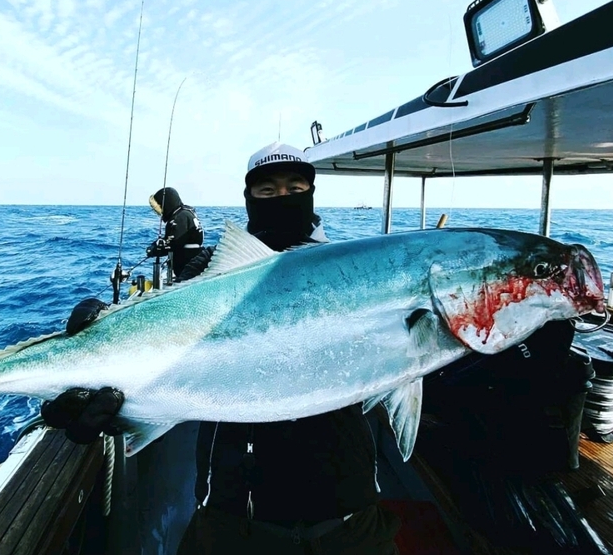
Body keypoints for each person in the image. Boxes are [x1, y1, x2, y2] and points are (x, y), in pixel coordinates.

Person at [41, 142, 401, 554]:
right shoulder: (208, 269)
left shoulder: (352, 271)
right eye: (267, 190)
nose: (282, 198)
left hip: (348, 518)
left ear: (312, 193)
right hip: (231, 516)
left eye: (295, 186)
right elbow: (164, 322)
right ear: (248, 199)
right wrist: (104, 327)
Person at [146, 187, 205, 280]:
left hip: (188, 267)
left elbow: (172, 245)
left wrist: (154, 250)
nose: (158, 212)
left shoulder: (179, 218)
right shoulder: (187, 213)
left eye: (159, 207)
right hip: (195, 263)